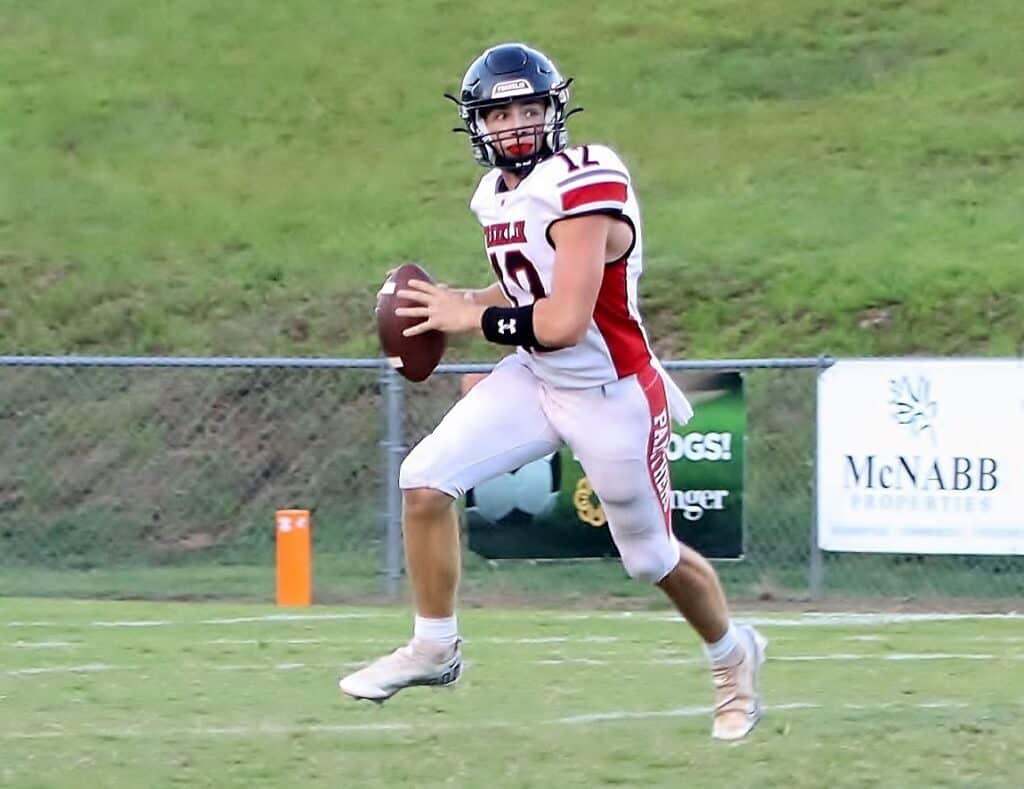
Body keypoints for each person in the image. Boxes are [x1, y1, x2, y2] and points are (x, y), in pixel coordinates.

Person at [340, 42, 767, 740]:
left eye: (527, 109)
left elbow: (564, 321)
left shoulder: (586, 180)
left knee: (651, 559)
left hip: (610, 391)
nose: (514, 125)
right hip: (536, 377)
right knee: (423, 480)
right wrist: (459, 302)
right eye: (498, 113)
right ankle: (434, 646)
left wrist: (471, 318)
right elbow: (523, 288)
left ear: (554, 111)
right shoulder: (493, 195)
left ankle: (732, 656)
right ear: (477, 124)